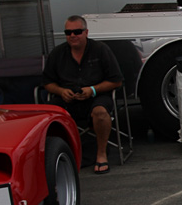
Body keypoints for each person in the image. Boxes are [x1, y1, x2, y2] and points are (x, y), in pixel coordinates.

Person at [42, 15, 124, 175]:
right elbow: (47, 83)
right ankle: (57, 156)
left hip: (96, 96)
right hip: (67, 99)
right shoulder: (57, 53)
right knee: (48, 114)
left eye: (77, 32)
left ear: (86, 32)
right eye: (68, 32)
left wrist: (92, 90)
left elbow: (116, 81)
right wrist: (61, 91)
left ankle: (101, 154)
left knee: (100, 112)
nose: (72, 36)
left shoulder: (100, 50)